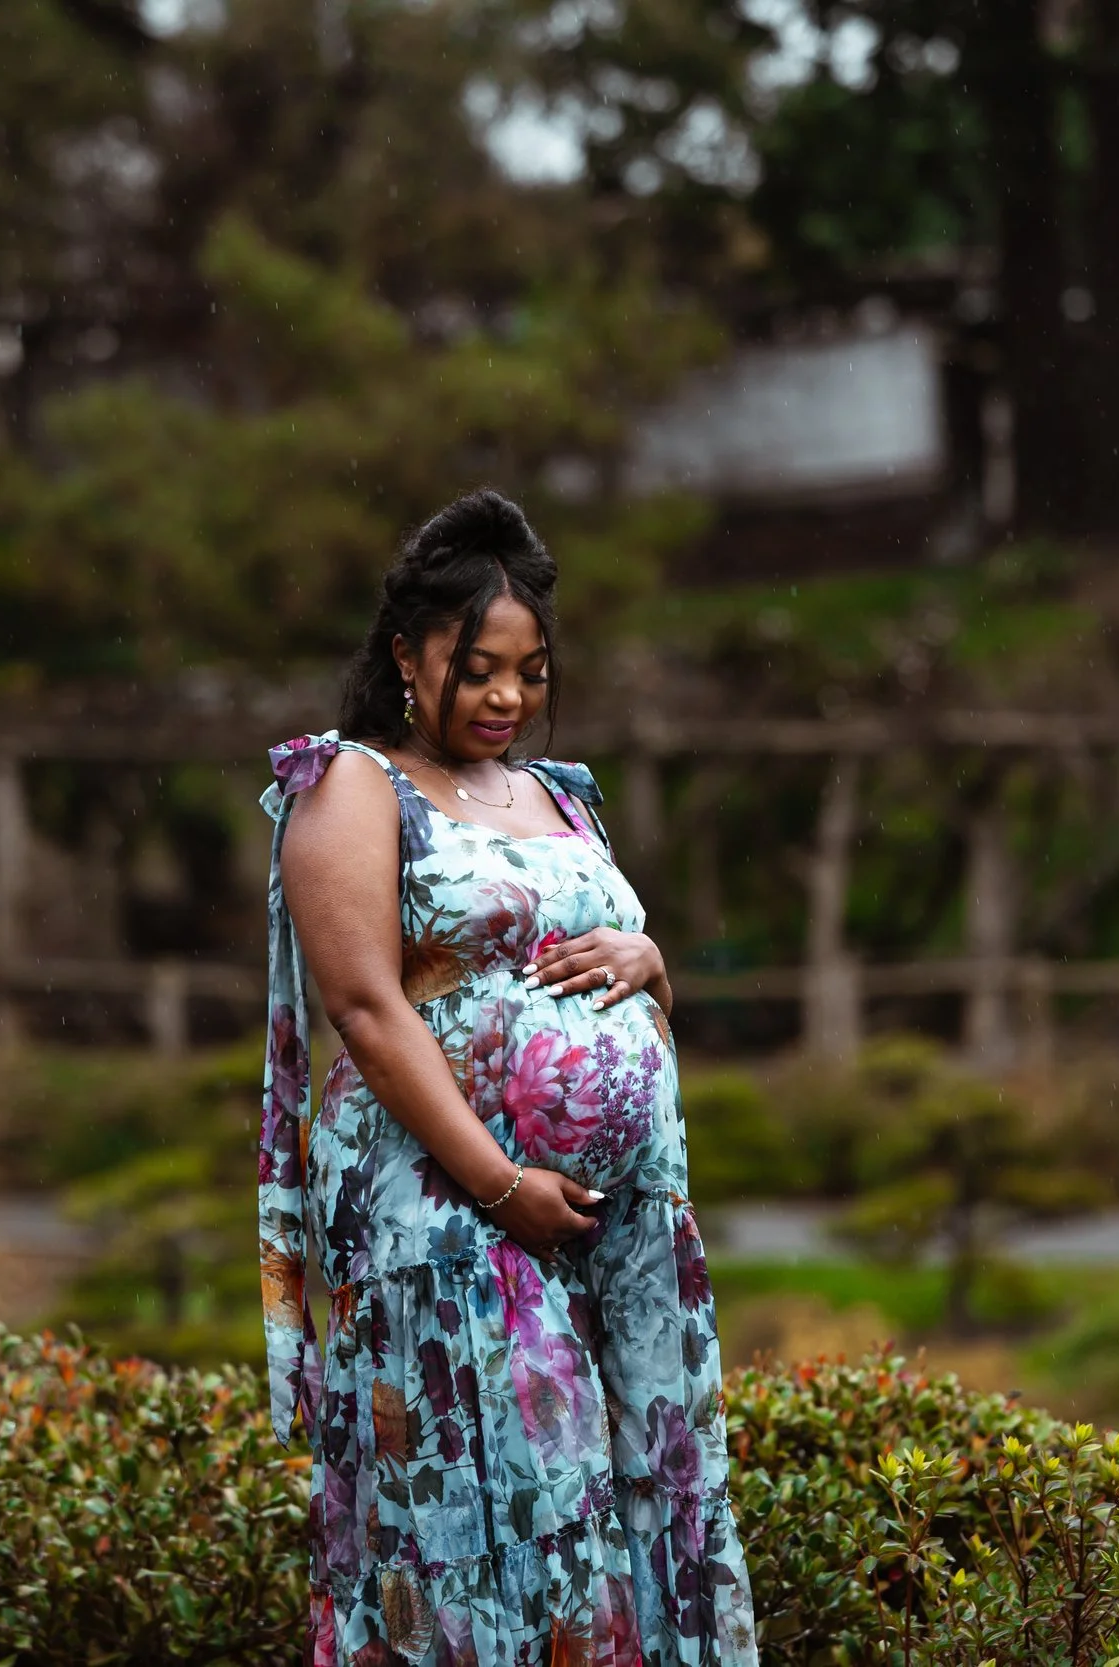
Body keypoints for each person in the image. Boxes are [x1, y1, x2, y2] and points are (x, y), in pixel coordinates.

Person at [257, 490, 758, 1664]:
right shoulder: (350, 788)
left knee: (629, 1499)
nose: (504, 699)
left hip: (615, 1232)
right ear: (404, 653)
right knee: (503, 1509)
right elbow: (370, 1010)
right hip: (448, 1221)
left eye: (528, 674)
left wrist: (649, 960)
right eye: (476, 669)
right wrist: (497, 1183)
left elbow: (629, 980)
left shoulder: (559, 793)